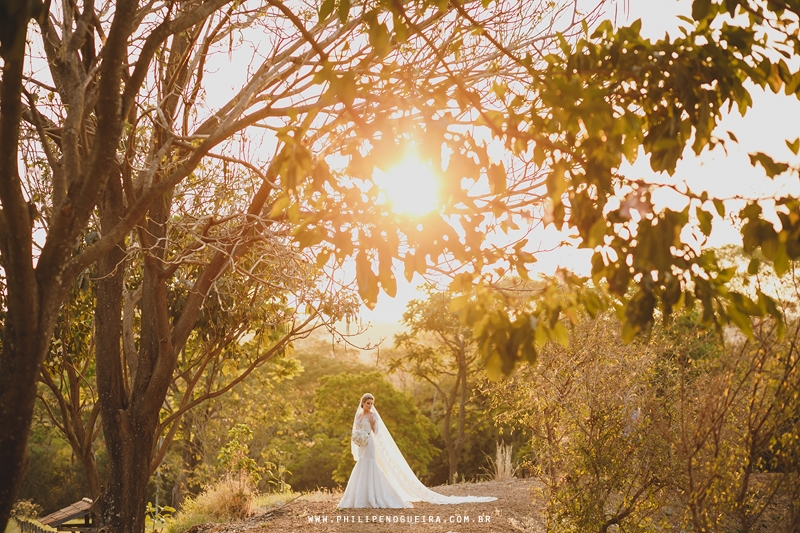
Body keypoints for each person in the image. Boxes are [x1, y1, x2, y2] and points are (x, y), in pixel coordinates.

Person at [337, 392, 497, 508]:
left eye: (372, 403)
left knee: (370, 465)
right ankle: (359, 497)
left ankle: (376, 496)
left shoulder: (372, 416)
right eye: (367, 403)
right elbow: (355, 432)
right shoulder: (358, 417)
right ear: (362, 403)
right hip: (363, 445)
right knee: (362, 465)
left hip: (370, 443)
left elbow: (376, 432)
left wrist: (366, 436)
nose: (370, 405)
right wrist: (359, 438)